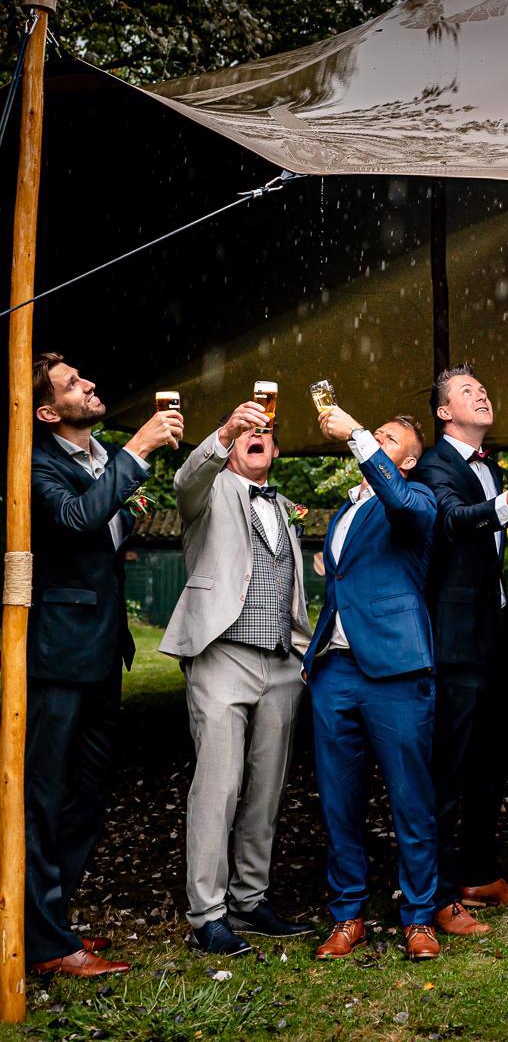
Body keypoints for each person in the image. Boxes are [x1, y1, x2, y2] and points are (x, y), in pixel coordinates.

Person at [24, 355, 182, 977]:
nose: (89, 384)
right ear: (47, 412)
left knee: (87, 799)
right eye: (72, 384)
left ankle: (47, 925)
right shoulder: (35, 464)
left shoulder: (103, 457)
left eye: (83, 377)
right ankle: (45, 943)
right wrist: (139, 448)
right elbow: (74, 519)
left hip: (103, 650)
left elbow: (105, 527)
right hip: (57, 655)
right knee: (44, 800)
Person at [161, 394, 313, 955]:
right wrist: (225, 430)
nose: (257, 437)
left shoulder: (284, 506)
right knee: (218, 787)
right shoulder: (206, 492)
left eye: (266, 433)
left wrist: (302, 653)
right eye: (248, 432)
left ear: (275, 451)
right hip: (223, 655)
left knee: (266, 788)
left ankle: (250, 899)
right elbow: (185, 479)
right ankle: (207, 914)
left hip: (281, 662)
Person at [413, 364, 508, 936]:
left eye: (483, 388)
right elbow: (452, 522)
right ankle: (438, 894)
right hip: (455, 641)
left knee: (491, 762)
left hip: (493, 634)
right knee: (447, 770)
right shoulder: (434, 465)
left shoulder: (489, 466)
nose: (482, 395)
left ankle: (479, 873)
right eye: (467, 391)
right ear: (444, 412)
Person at [304, 409, 442, 962]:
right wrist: (313, 659)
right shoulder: (345, 510)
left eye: (388, 439)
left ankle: (420, 916)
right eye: (375, 435)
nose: (376, 441)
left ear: (406, 461)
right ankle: (348, 915)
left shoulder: (417, 499)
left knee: (411, 799)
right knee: (339, 801)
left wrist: (358, 435)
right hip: (335, 671)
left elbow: (402, 504)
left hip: (396, 669)